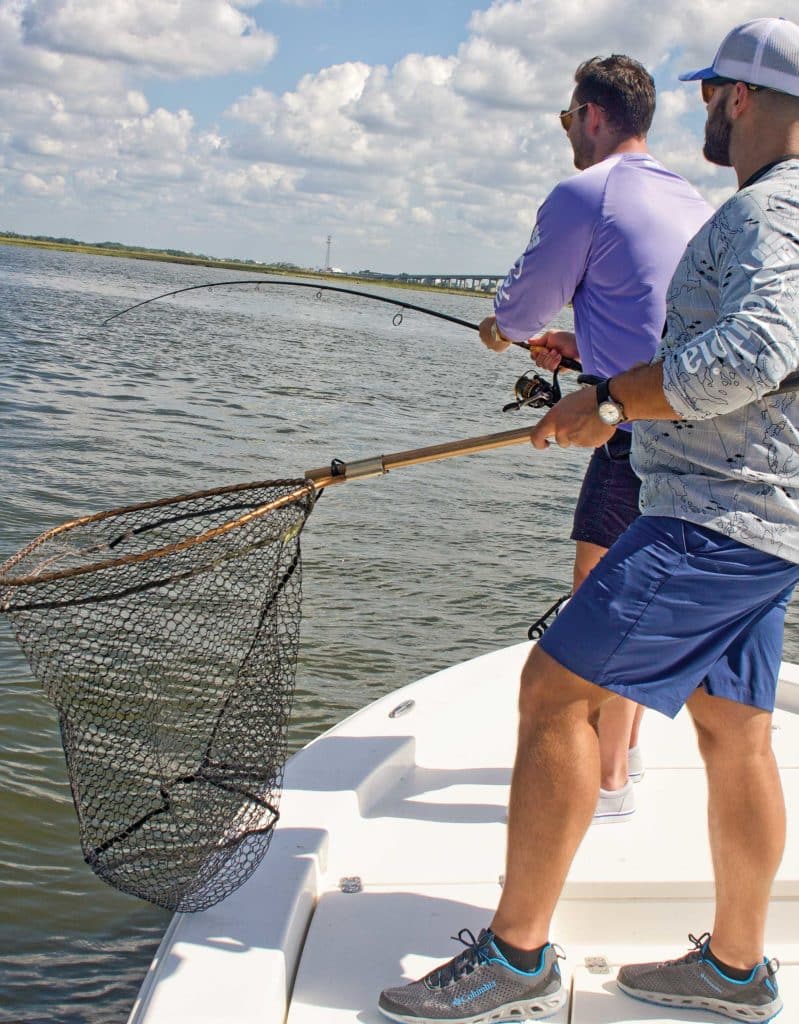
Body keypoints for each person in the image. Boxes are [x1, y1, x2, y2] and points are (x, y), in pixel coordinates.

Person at [379, 15, 799, 1024]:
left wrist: (611, 403)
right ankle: (737, 969)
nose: (703, 111)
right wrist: (603, 384)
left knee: (552, 695)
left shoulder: (761, 218)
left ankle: (515, 958)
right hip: (768, 522)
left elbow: (751, 355)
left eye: (708, 95)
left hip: (711, 518)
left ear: (733, 98)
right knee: (733, 731)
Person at [479, 55, 711, 821]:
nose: (565, 134)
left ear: (589, 115)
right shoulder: (689, 199)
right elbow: (661, 325)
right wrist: (581, 348)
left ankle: (605, 782)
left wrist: (500, 332)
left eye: (564, 119)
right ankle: (627, 752)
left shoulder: (586, 192)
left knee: (599, 608)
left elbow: (514, 314)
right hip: (694, 429)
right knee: (640, 600)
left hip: (633, 435)